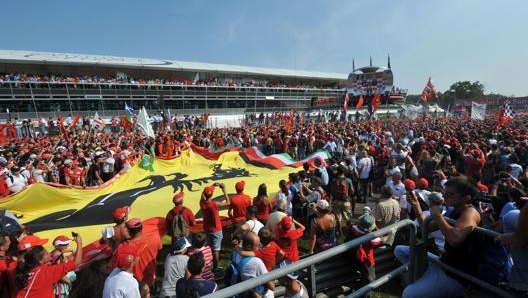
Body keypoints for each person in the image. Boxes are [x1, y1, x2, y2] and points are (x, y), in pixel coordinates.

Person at [394, 176, 481, 298]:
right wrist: (416, 205)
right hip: (445, 263)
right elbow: (427, 226)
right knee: (400, 250)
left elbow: (455, 239)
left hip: (457, 274)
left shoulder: (471, 212)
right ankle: (424, 282)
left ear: (466, 198)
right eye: (444, 193)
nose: (444, 197)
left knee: (408, 294)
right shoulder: (452, 210)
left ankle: (424, 285)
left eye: (450, 195)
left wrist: (438, 216)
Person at [15, 233, 82, 298]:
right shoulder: (47, 272)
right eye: (46, 253)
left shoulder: (22, 268)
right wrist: (79, 243)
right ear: (39, 260)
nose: (50, 255)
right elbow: (76, 262)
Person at [110, 218, 162, 288]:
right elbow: (160, 247)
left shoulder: (122, 247)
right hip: (149, 282)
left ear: (128, 231)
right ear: (141, 228)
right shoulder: (155, 239)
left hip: (130, 284)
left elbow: (113, 266)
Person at [231, 232, 275, 298]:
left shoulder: (235, 254)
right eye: (257, 245)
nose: (259, 248)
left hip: (245, 291)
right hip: (262, 294)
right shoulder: (256, 262)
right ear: (249, 246)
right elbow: (271, 287)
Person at [200, 183, 230, 270]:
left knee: (209, 247)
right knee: (216, 249)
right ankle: (216, 268)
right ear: (212, 195)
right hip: (216, 229)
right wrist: (224, 190)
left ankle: (208, 264)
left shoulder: (202, 203)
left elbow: (203, 194)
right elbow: (228, 202)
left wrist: (212, 186)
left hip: (207, 228)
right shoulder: (214, 204)